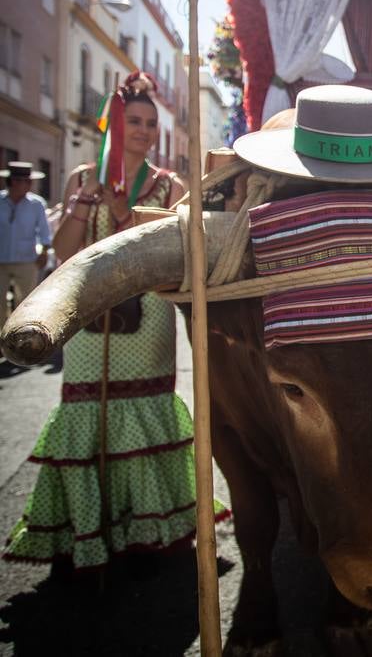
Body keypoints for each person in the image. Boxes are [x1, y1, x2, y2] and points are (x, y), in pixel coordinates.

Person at [3, 72, 229, 578]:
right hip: (85, 316)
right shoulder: (82, 178)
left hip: (147, 317)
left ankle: (148, 525)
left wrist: (124, 214)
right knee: (86, 410)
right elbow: (64, 256)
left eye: (151, 123)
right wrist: (88, 204)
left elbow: (173, 260)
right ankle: (92, 525)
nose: (146, 130)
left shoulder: (171, 186)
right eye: (135, 122)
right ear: (115, 126)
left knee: (144, 408)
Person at [0, 162, 52, 327]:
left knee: (26, 302)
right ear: (14, 182)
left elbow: (44, 230)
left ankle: (21, 335)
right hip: (1, 259)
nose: (30, 185)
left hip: (26, 260)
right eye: (27, 181)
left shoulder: (36, 204)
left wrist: (44, 251)